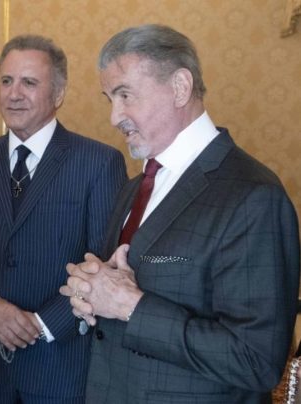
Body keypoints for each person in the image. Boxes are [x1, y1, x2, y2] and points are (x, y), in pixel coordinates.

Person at [61, 24, 300, 403]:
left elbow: (257, 360)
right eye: (110, 99)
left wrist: (131, 306)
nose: (114, 117)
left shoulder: (253, 196)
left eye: (125, 95)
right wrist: (92, 291)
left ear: (180, 87)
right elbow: (123, 293)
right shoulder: (135, 187)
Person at [0, 34, 127, 403]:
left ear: (58, 94)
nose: (14, 94)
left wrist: (44, 324)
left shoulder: (99, 163)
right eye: (6, 80)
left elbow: (104, 265)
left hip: (62, 364)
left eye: (29, 82)